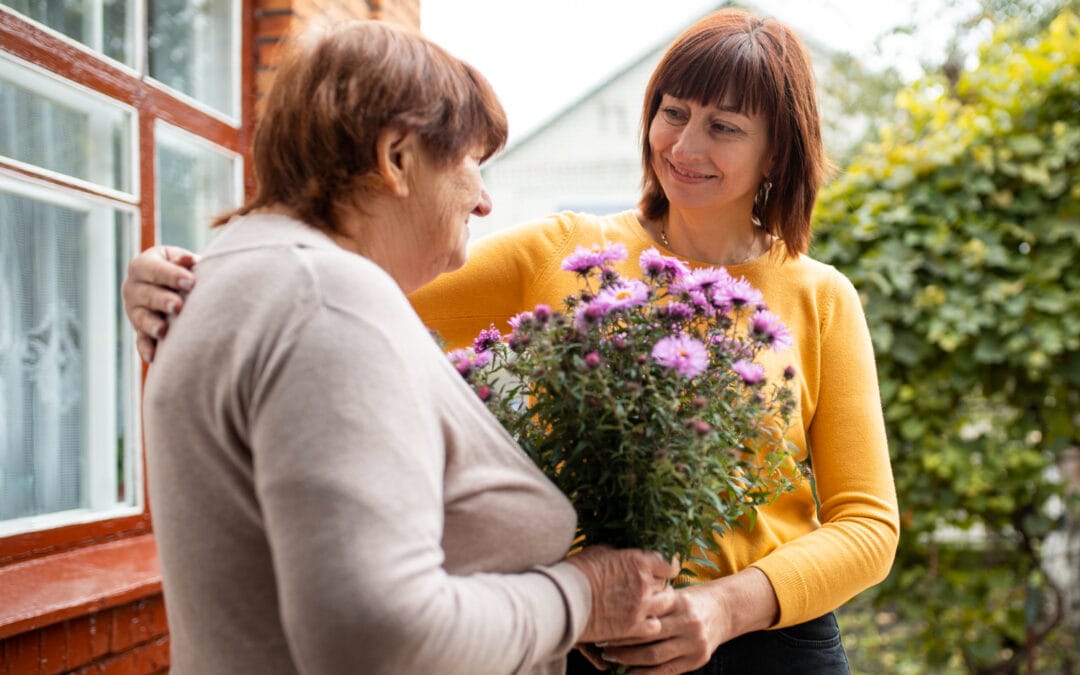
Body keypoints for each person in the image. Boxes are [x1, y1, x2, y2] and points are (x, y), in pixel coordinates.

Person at [125, 9, 900, 674]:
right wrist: (183, 273)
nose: (684, 144)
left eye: (724, 127)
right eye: (673, 110)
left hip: (770, 641)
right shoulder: (562, 252)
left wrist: (728, 607)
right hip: (592, 627)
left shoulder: (820, 296)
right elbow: (336, 266)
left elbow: (867, 524)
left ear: (778, 152)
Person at [137, 20, 678, 675]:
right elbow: (376, 637)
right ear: (396, 156)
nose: (484, 201)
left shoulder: (239, 271)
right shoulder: (328, 299)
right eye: (472, 163)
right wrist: (583, 597)